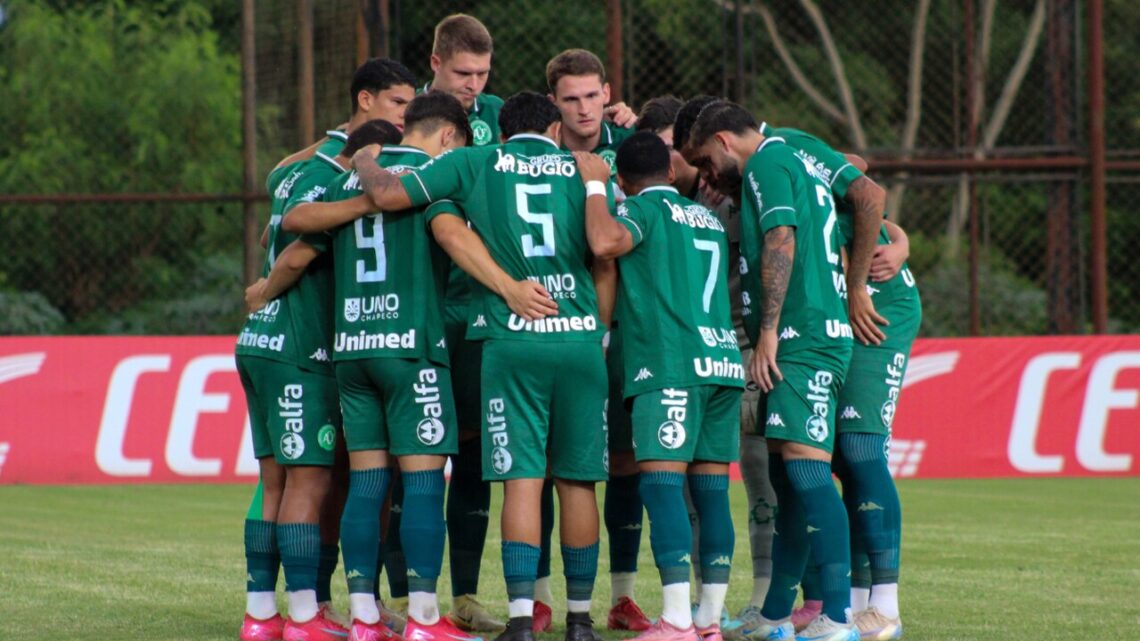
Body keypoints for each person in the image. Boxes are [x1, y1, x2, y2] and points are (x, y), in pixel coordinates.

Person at [338, 90, 611, 641]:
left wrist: (365, 155)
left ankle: (518, 621)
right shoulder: (584, 169)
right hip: (580, 339)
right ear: (556, 130)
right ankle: (580, 619)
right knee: (580, 482)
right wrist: (597, 330)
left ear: (500, 133)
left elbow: (397, 201)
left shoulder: (472, 161)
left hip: (511, 340)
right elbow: (607, 254)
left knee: (522, 482)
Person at [686, 100, 885, 641]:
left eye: (705, 161)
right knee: (788, 478)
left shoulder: (769, 163)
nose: (706, 175)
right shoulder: (793, 157)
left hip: (803, 337)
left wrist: (768, 330)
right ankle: (775, 615)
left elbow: (781, 237)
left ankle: (839, 615)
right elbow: (855, 175)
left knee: (806, 471)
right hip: (807, 334)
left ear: (725, 141)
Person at [237, 117, 403, 641]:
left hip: (259, 344)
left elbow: (272, 219)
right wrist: (268, 288)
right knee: (310, 480)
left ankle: (261, 614)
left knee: (273, 483)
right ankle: (305, 615)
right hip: (299, 348)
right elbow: (297, 247)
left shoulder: (296, 172)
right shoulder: (338, 187)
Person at [753, 123, 920, 640]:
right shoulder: (743, 172)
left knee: (861, 447)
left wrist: (883, 257)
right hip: (831, 314)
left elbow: (861, 176)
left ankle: (884, 607)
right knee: (829, 458)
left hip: (873, 306)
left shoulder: (778, 149)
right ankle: (845, 602)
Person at [575, 131, 745, 641]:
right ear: (671, 172)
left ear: (624, 181)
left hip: (671, 366)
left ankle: (674, 622)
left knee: (662, 483)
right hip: (722, 364)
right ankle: (708, 622)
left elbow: (604, 242)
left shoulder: (640, 213)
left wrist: (594, 188)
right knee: (712, 493)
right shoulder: (708, 219)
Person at [541, 47, 648, 634]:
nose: (585, 109)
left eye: (592, 95)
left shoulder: (632, 148)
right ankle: (535, 596)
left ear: (609, 92)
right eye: (571, 99)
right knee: (548, 467)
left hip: (625, 330)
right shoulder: (535, 152)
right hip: (556, 328)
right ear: (554, 102)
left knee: (626, 464)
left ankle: (623, 596)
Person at [416, 14, 505, 630]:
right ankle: (401, 597)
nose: (472, 86)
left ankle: (467, 595)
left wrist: (621, 120)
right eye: (461, 73)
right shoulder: (410, 120)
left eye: (480, 74)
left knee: (472, 455)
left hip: (479, 312)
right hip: (418, 309)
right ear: (435, 64)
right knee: (410, 460)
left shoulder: (498, 116)